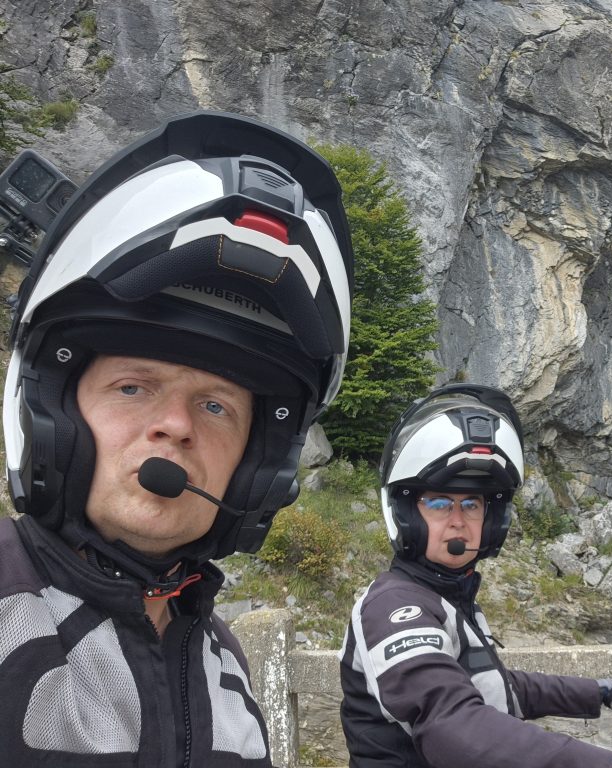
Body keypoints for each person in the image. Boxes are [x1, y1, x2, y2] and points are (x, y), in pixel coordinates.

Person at [0, 111, 353, 766]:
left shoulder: (224, 663)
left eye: (216, 406)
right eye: (133, 387)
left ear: (256, 467)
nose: (178, 425)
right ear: (52, 414)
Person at [339, 384, 612, 768]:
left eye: (471, 504)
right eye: (439, 503)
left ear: (492, 521)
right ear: (406, 515)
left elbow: (496, 686)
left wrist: (603, 691)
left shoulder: (448, 599)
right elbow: (453, 727)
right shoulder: (394, 606)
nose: (458, 521)